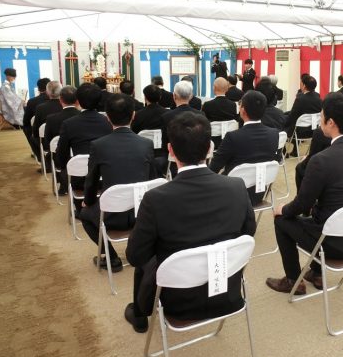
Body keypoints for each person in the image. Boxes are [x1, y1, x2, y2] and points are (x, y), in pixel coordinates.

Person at [124, 112, 256, 332]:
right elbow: (248, 232)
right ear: (210, 148)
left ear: (170, 151)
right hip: (227, 292)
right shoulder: (236, 186)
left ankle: (140, 314)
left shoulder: (156, 198)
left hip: (176, 301)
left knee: (146, 256)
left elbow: (135, 256)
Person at [266, 93, 343, 294]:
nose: (320, 120)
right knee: (325, 214)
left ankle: (293, 280)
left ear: (331, 122)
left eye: (321, 116)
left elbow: (302, 205)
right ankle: (316, 273)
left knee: (281, 219)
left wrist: (282, 208)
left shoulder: (322, 160)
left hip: (332, 243)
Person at [79, 94, 158, 272]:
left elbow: (91, 181)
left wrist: (89, 201)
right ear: (133, 115)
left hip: (112, 215)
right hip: (143, 214)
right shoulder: (146, 143)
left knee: (85, 214)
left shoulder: (99, 145)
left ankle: (112, 258)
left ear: (107, 117)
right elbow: (153, 179)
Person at [209, 91, 279, 204]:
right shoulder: (274, 134)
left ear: (243, 110)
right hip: (259, 193)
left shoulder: (233, 137)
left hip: (232, 194)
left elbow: (214, 167)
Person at [56, 83, 112, 170]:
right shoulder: (109, 121)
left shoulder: (68, 124)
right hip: (104, 173)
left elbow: (61, 153)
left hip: (78, 176)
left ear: (77, 101)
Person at [45, 86, 80, 195]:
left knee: (54, 153)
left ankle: (63, 184)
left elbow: (48, 143)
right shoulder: (83, 117)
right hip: (81, 157)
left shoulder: (51, 119)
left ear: (60, 100)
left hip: (62, 159)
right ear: (77, 101)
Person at [285, 75, 322, 156]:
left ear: (304, 85)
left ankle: (283, 152)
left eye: (301, 83)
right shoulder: (318, 97)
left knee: (284, 125)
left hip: (300, 132)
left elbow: (292, 116)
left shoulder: (300, 99)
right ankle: (295, 151)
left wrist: (283, 121)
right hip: (314, 130)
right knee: (295, 122)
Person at [32, 80, 63, 155]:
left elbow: (36, 131)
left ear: (47, 92)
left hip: (47, 143)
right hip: (69, 141)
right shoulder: (66, 106)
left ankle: (42, 159)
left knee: (33, 138)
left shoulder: (40, 108)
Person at [23, 77, 50, 156]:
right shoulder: (59, 101)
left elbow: (26, 121)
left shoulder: (32, 102)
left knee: (26, 127)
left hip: (39, 135)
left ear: (38, 89)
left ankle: (38, 153)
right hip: (57, 132)